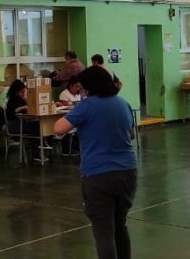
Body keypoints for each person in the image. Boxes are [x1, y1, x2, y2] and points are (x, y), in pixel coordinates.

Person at [53, 66, 138, 259]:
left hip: (98, 174)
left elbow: (58, 128)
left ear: (89, 87)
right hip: (128, 172)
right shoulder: (123, 103)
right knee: (120, 225)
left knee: (103, 231)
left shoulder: (87, 106)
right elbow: (131, 134)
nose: (81, 90)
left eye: (82, 87)